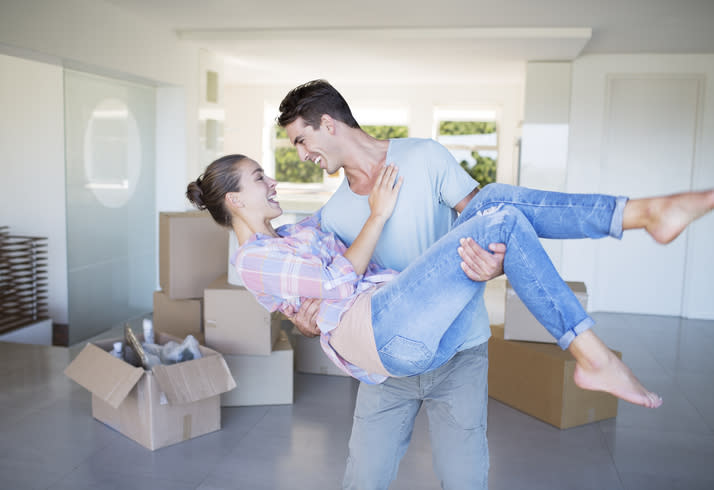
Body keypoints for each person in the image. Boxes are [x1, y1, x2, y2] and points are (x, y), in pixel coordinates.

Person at [186, 154, 714, 406]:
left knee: (490, 201)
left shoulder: (292, 232)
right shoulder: (252, 259)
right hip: (376, 332)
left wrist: (359, 175)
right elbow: (337, 276)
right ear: (235, 200)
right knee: (501, 219)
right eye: (260, 178)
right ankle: (595, 355)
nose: (273, 179)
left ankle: (641, 213)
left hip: (388, 313)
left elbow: (331, 273)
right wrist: (378, 214)